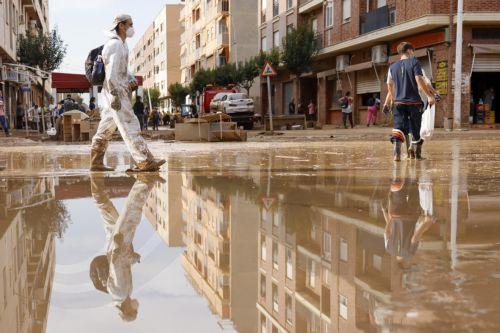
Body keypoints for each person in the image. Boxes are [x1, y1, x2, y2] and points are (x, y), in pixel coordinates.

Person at [90, 14, 165, 172]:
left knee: (105, 129)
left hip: (117, 93)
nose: (132, 27)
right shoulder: (114, 45)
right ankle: (144, 161)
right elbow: (110, 74)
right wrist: (115, 95)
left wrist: (130, 78)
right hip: (116, 94)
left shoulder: (123, 45)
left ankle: (96, 162)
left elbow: (122, 70)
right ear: (121, 26)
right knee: (130, 125)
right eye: (130, 24)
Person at [89, 174, 161, 322]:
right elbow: (123, 267)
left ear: (128, 310)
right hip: (119, 248)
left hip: (120, 245)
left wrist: (117, 245)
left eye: (135, 310)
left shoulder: (121, 293)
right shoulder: (123, 294)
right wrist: (133, 259)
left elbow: (115, 265)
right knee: (107, 211)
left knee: (131, 214)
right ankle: (96, 181)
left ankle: (146, 180)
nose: (136, 307)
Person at [383, 42, 435, 161]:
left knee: (398, 127)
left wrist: (392, 98)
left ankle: (397, 155)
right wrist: (429, 95)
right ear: (408, 51)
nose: (413, 54)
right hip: (414, 103)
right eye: (412, 51)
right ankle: (416, 156)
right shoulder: (414, 62)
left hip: (398, 103)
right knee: (415, 128)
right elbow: (419, 80)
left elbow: (389, 85)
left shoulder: (392, 67)